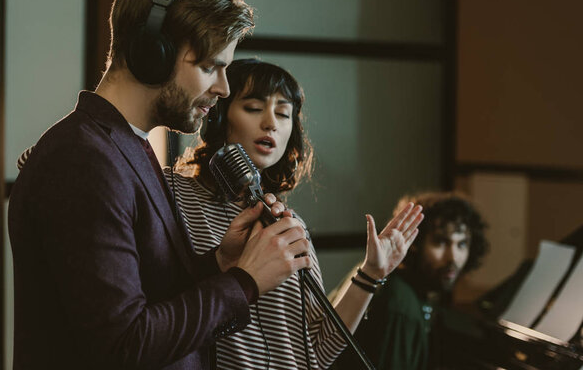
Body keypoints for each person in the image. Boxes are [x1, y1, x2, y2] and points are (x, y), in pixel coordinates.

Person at [7, 0, 313, 369]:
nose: (222, 88)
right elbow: (124, 345)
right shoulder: (83, 159)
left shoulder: (125, 145)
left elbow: (146, 293)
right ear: (154, 54)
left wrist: (221, 262)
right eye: (209, 66)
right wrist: (245, 281)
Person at [168, 58, 425, 369]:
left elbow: (317, 351)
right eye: (253, 108)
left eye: (283, 113)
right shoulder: (173, 195)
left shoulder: (287, 224)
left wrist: (371, 274)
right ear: (218, 116)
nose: (271, 123)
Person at [332, 191, 489, 370]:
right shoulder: (400, 304)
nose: (453, 257)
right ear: (415, 243)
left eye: (461, 244)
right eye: (440, 242)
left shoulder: (382, 276)